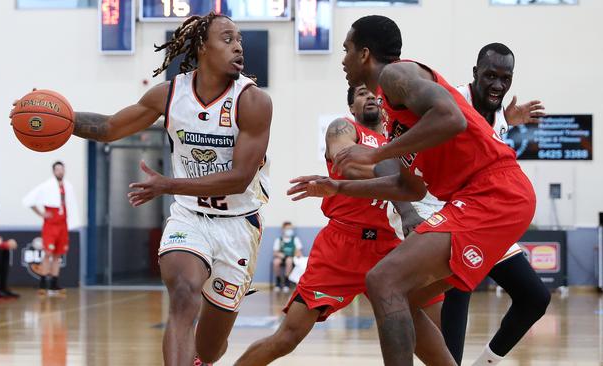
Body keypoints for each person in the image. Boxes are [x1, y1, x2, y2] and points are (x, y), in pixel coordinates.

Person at [12, 13, 272, 365]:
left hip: (238, 224)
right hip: (190, 217)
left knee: (210, 347)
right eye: (227, 38)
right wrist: (55, 118)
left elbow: (240, 177)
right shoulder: (169, 94)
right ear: (201, 47)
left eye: (239, 38)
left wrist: (168, 184)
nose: (238, 45)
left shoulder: (253, 101)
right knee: (182, 293)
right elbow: (108, 127)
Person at [287, 15, 536, 364]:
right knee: (402, 295)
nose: (342, 59)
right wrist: (337, 186)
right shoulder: (397, 115)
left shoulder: (396, 74)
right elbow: (409, 188)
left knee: (383, 281)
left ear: (364, 54)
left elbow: (453, 117)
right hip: (479, 197)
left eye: (346, 50)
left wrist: (377, 152)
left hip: (496, 192)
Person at [235, 85, 452, 366]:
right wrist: (401, 180)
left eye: (376, 93)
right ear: (351, 107)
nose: (371, 97)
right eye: (362, 94)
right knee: (288, 336)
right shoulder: (344, 129)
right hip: (342, 245)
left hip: (389, 246)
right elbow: (348, 164)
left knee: (427, 330)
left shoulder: (398, 142)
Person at [385, 43, 550, 365]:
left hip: (481, 213)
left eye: (506, 78)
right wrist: (406, 211)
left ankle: (485, 363)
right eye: (490, 76)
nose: (498, 85)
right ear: (475, 73)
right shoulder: (449, 101)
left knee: (535, 297)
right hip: (440, 212)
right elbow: (400, 150)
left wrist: (507, 119)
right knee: (455, 297)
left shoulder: (499, 112)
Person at [23, 161, 78, 295]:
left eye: (62, 169)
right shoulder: (47, 186)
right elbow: (29, 200)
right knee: (47, 253)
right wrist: (41, 213)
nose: (60, 171)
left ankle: (54, 283)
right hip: (51, 225)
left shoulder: (68, 186)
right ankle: (42, 282)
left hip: (63, 224)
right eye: (57, 169)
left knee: (58, 255)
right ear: (53, 171)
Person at [272, 221, 303, 292]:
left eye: (291, 229)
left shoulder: (295, 239)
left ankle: (287, 281)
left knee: (289, 261)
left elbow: (299, 252)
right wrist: (282, 255)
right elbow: (275, 252)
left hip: (291, 258)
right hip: (282, 257)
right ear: (283, 229)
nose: (289, 230)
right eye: (288, 229)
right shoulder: (279, 240)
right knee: (276, 262)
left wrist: (295, 254)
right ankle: (278, 281)